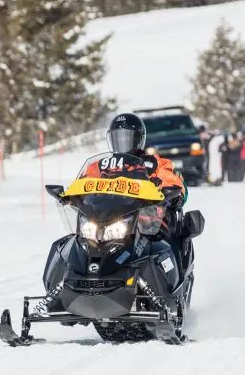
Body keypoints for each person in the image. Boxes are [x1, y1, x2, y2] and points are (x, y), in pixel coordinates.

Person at [79, 112, 188, 265]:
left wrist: (170, 190)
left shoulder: (153, 164)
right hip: (105, 219)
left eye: (126, 137)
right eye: (118, 138)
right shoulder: (99, 166)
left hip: (146, 219)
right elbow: (82, 183)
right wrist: (69, 195)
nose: (122, 142)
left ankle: (169, 278)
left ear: (139, 139)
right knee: (72, 244)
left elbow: (173, 181)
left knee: (161, 244)